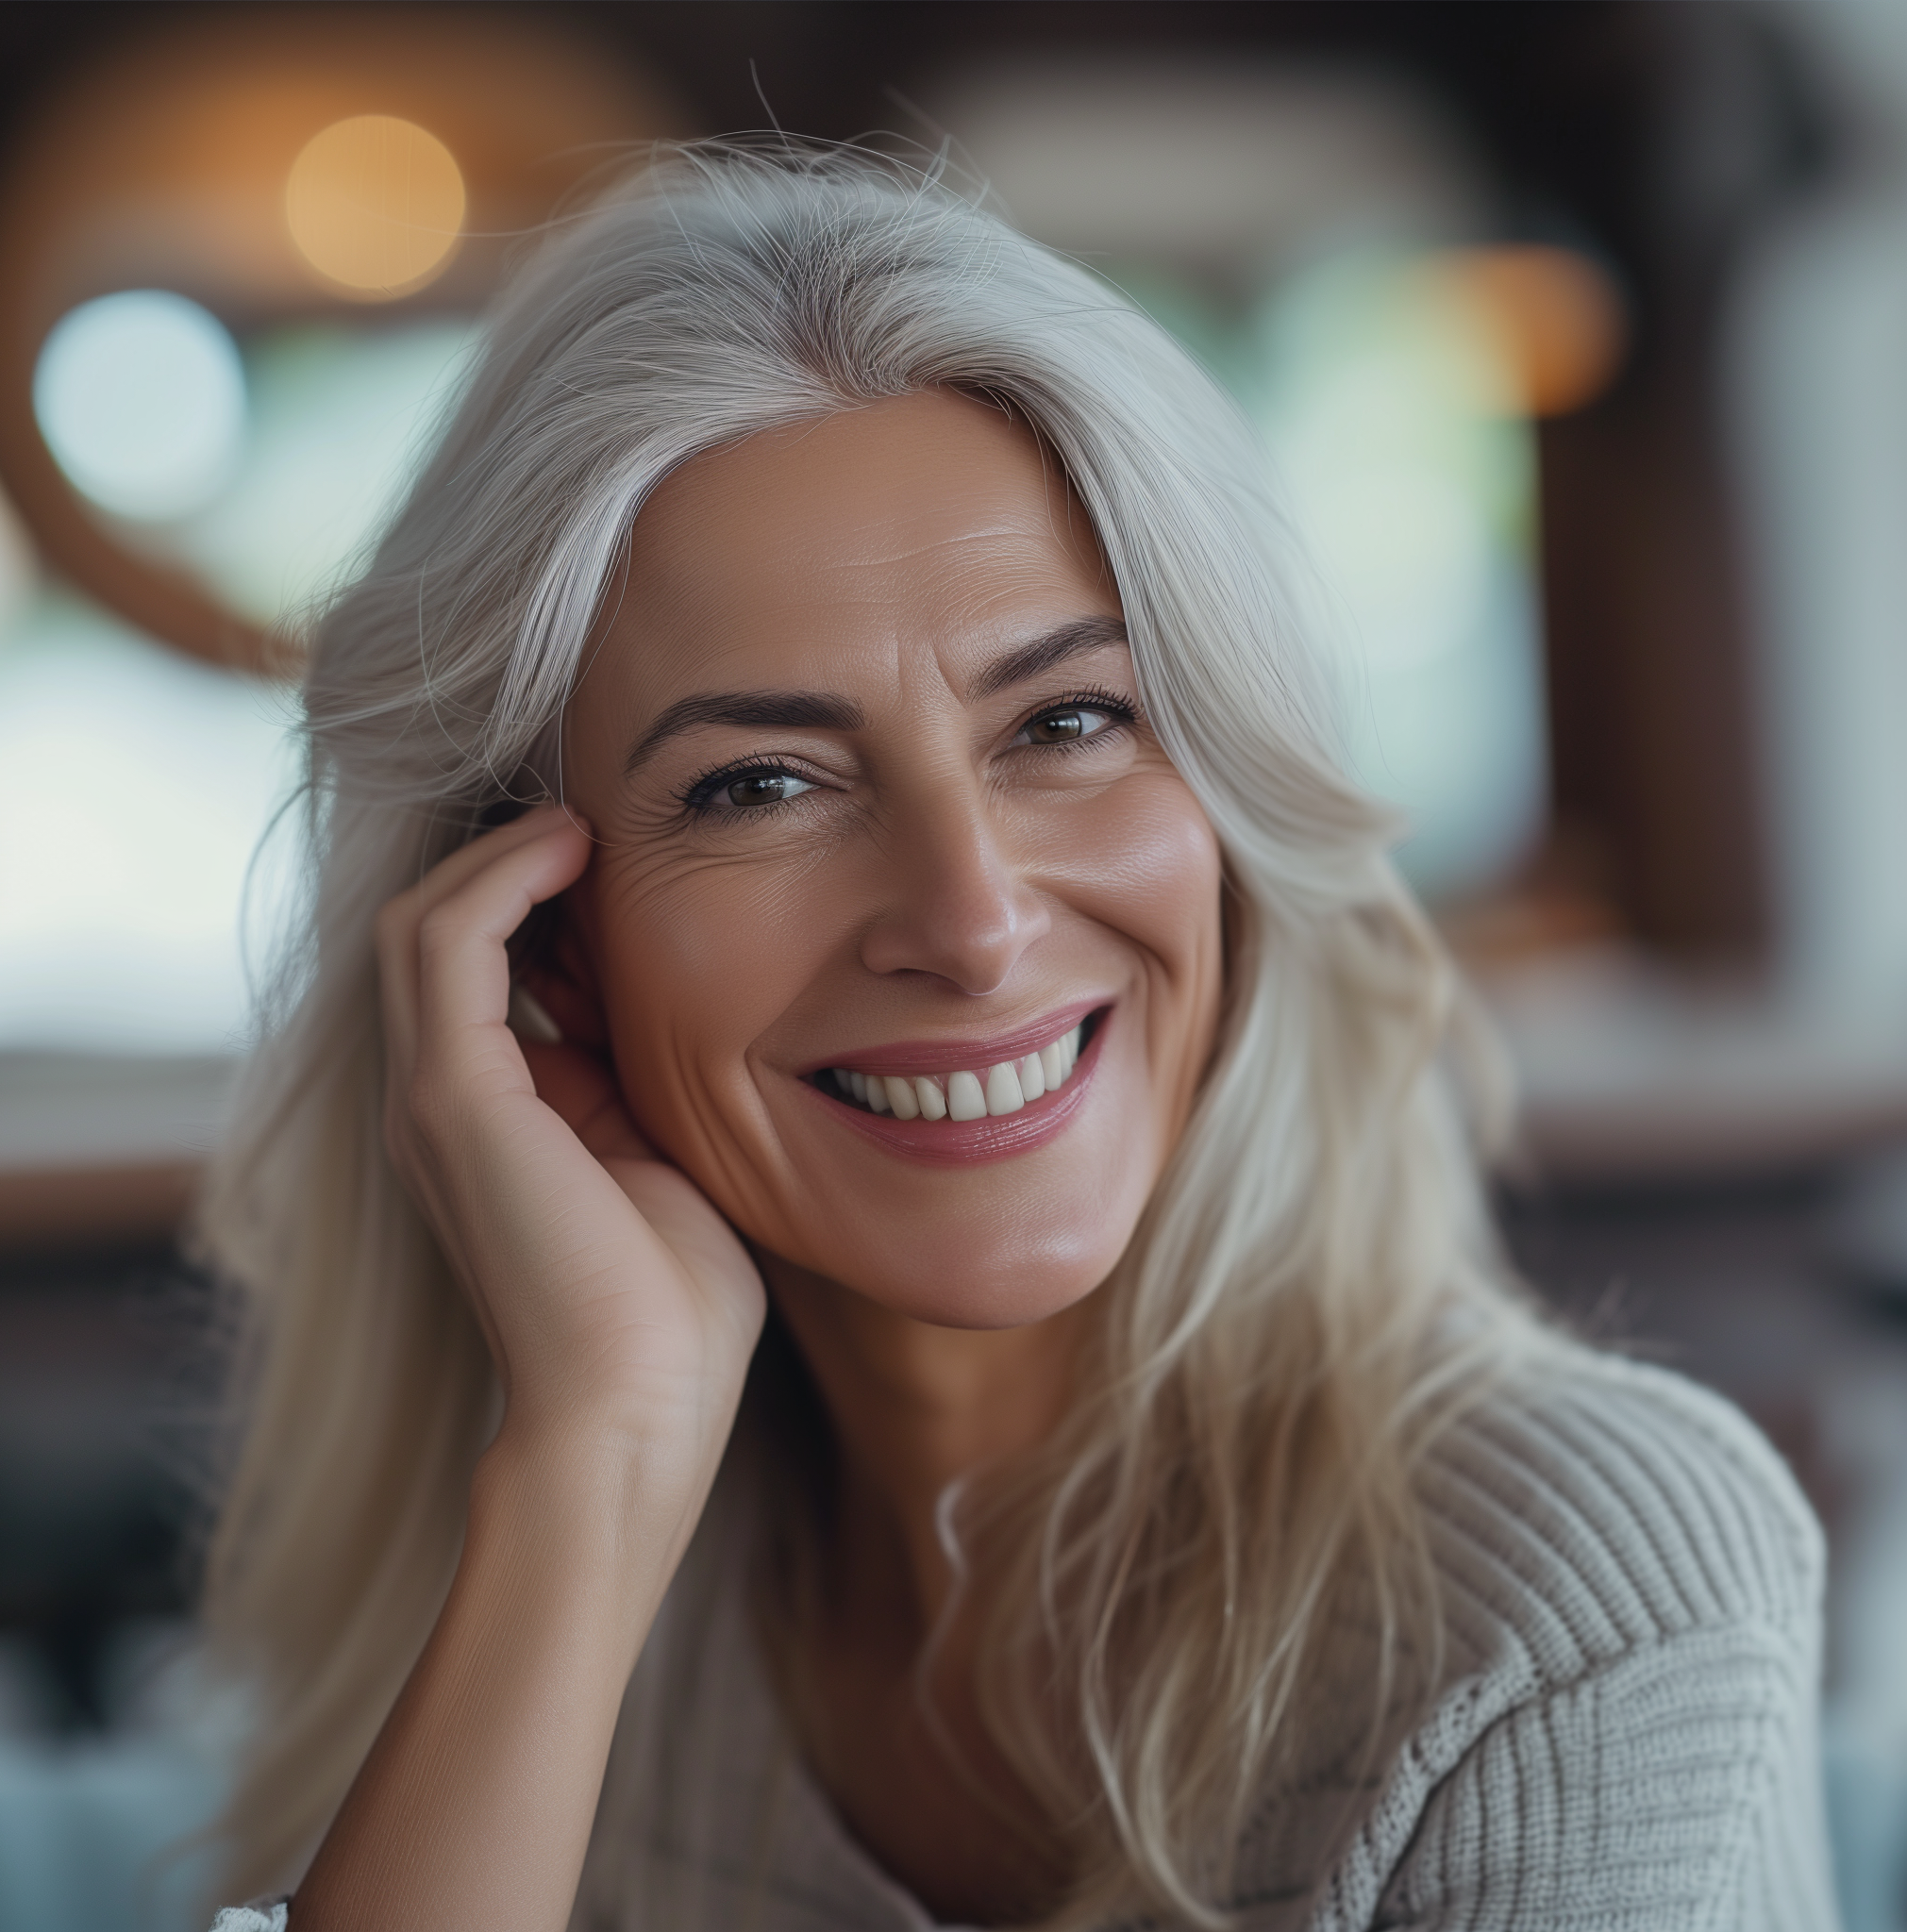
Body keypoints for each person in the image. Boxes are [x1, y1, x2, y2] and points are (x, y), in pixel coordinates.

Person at [199, 145, 1835, 1932]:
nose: (974, 921)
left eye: (1067, 719)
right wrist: (593, 1472)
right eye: (759, 783)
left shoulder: (1580, 1599)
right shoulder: (566, 1596)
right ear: (546, 955)